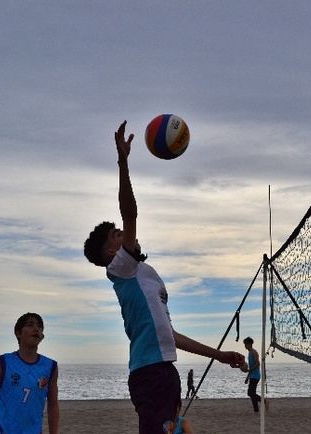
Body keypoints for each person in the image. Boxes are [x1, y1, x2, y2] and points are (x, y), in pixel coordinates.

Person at [84, 120, 246, 434]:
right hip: (149, 374)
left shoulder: (149, 275)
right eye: (116, 235)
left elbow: (169, 334)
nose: (123, 234)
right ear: (109, 254)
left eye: (121, 232)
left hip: (165, 370)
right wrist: (123, 162)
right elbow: (130, 212)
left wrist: (219, 355)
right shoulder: (120, 269)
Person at [0, 312, 59, 434]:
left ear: (42, 335)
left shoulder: (50, 366)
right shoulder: (2, 363)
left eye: (39, 327)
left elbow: (53, 405)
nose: (36, 329)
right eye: (30, 325)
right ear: (18, 333)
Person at [241, 337, 262, 412]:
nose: (245, 346)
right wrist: (247, 378)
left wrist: (250, 370)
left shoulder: (254, 352)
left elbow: (258, 363)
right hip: (252, 376)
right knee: (252, 393)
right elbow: (250, 366)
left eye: (246, 344)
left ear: (249, 344)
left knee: (250, 393)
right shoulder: (249, 353)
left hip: (256, 376)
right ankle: (256, 409)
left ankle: (264, 401)